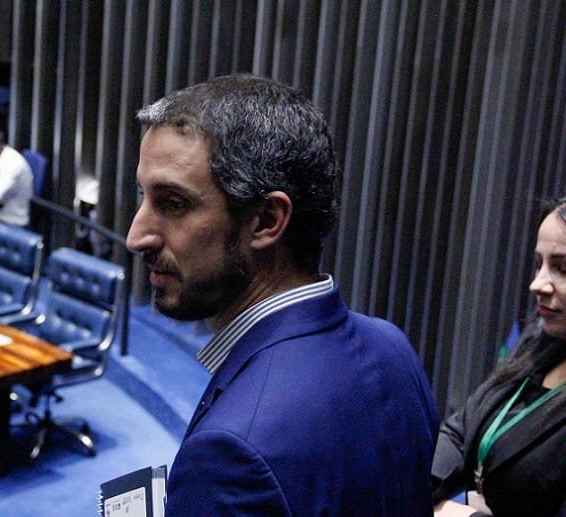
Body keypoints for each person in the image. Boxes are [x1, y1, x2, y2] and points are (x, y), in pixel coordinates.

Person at [125, 73, 440, 515]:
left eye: (173, 204)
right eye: (143, 196)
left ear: (266, 221)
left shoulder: (232, 454)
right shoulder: (391, 347)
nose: (136, 236)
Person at [431, 200, 566, 517]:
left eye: (562, 268)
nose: (537, 284)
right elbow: (462, 430)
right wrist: (418, 483)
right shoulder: (539, 340)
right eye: (538, 264)